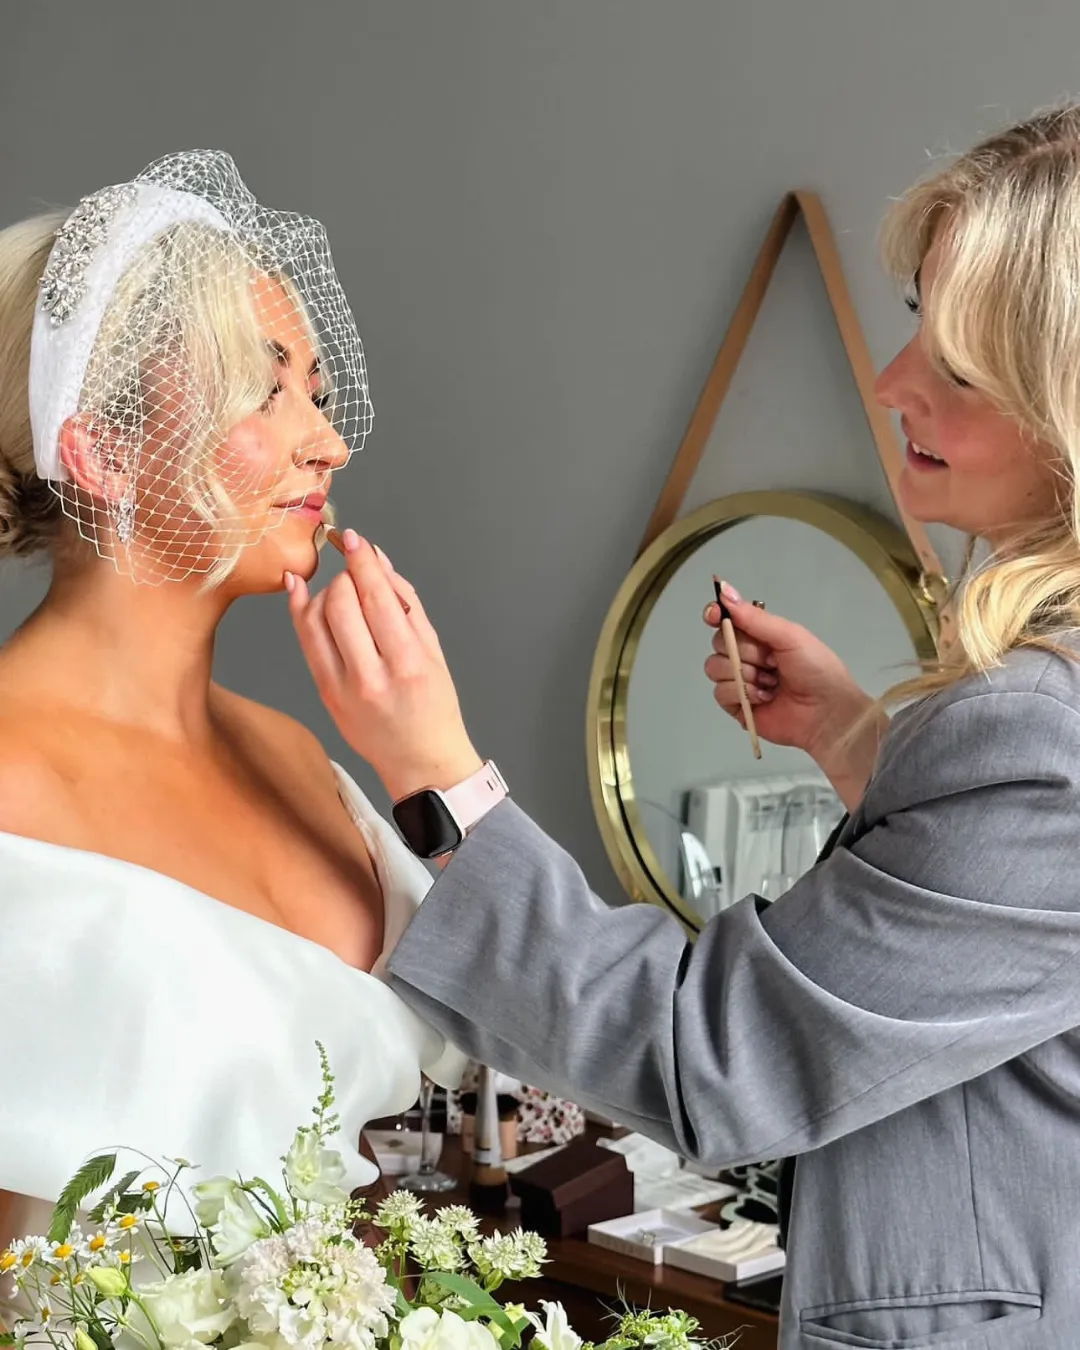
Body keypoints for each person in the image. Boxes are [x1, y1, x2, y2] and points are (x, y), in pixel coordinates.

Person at [288, 104, 1080, 1348]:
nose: (891, 383)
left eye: (960, 370)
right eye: (918, 323)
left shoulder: (1046, 734)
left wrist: (440, 778)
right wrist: (860, 742)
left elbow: (718, 1054)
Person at [0, 151, 463, 1257]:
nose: (329, 440)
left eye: (314, 385)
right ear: (102, 452)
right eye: (266, 389)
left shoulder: (304, 760)